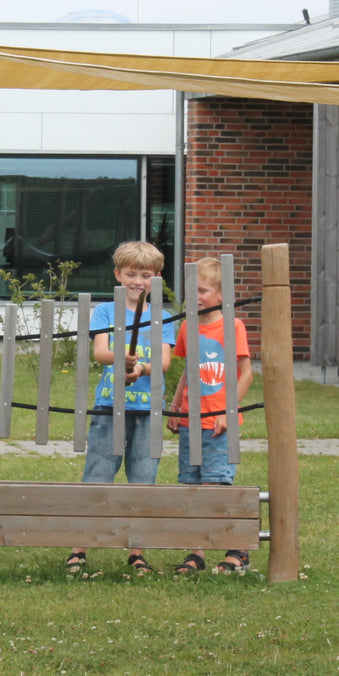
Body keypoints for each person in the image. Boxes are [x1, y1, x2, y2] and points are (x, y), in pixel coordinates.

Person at [66, 240, 175, 576]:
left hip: (148, 410)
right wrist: (120, 358)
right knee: (98, 474)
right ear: (118, 274)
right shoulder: (105, 312)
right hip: (108, 405)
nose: (137, 281)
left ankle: (137, 550)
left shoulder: (164, 316)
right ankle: (79, 547)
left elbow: (166, 361)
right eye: (130, 273)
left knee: (143, 478)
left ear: (157, 277)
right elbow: (100, 352)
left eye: (145, 274)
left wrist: (139, 368)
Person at [167, 257, 254, 574]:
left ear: (221, 295)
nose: (196, 295)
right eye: (192, 289)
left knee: (217, 487)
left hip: (219, 425)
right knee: (192, 489)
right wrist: (175, 408)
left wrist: (229, 412)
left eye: (202, 290)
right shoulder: (188, 325)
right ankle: (197, 553)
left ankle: (238, 549)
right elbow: (187, 375)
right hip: (191, 423)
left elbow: (246, 375)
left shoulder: (233, 326)